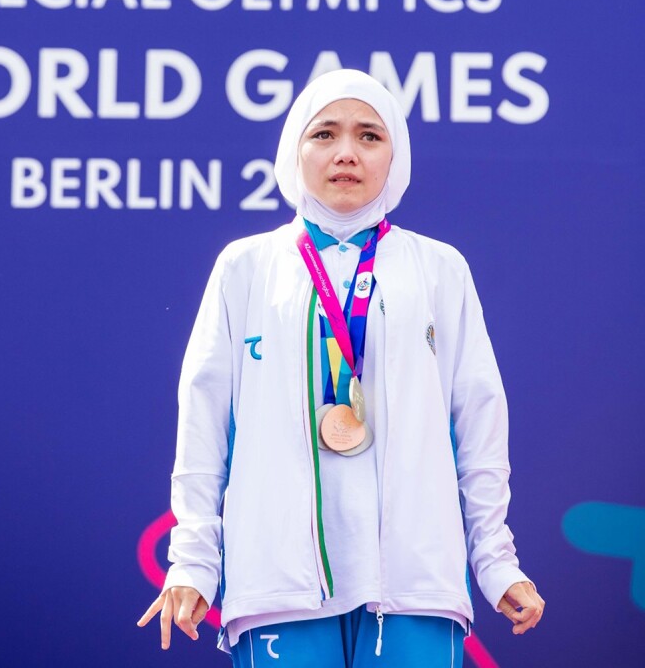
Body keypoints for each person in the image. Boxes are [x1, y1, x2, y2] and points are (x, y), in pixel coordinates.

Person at [139, 69, 544, 665]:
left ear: (395, 156)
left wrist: (494, 560)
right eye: (324, 134)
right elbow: (204, 424)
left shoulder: (439, 269)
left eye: (369, 136)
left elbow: (478, 421)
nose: (347, 153)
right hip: (279, 582)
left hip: (414, 582)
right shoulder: (246, 268)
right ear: (292, 151)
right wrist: (194, 562)